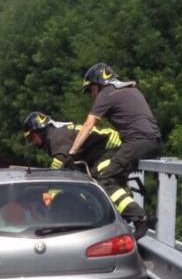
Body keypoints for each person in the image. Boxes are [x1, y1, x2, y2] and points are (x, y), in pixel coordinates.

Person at [65, 63, 162, 237]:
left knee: (105, 179)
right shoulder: (131, 90)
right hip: (152, 141)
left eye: (90, 90)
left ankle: (141, 218)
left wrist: (72, 153)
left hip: (137, 142)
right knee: (105, 164)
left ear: (98, 84)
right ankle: (127, 212)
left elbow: (89, 124)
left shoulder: (106, 93)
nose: (91, 95)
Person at [22, 110, 121, 176]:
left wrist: (49, 195)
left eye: (32, 138)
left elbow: (58, 166)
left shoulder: (56, 137)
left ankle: (129, 207)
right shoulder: (54, 135)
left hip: (111, 144)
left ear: (39, 131)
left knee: (102, 181)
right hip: (103, 149)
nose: (33, 142)